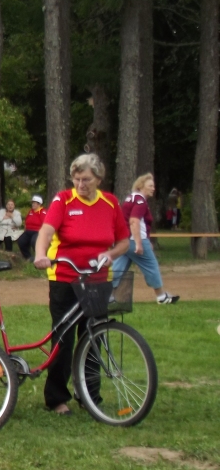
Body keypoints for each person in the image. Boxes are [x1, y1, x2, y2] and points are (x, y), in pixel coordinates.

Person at [34, 154, 129, 415]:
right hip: (65, 277)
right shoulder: (63, 200)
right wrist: (41, 255)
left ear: (98, 179)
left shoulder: (110, 203)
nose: (80, 184)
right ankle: (56, 397)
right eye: (76, 179)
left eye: (86, 179)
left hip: (98, 279)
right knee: (63, 338)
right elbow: (46, 231)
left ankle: (89, 394)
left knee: (94, 336)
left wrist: (111, 255)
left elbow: (123, 241)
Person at [111, 174, 179, 304]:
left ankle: (108, 296)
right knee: (151, 266)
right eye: (150, 186)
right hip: (134, 239)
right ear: (141, 186)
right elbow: (134, 221)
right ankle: (161, 297)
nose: (153, 188)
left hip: (123, 240)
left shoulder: (131, 198)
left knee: (118, 268)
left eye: (153, 186)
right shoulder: (140, 201)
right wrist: (139, 243)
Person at [17, 195, 45, 260]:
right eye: (32, 203)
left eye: (34, 203)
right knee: (21, 241)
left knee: (34, 241)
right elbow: (26, 221)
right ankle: (28, 257)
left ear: (39, 204)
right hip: (28, 231)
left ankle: (40, 257)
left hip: (37, 231)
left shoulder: (42, 212)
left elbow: (45, 223)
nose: (32, 204)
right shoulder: (30, 211)